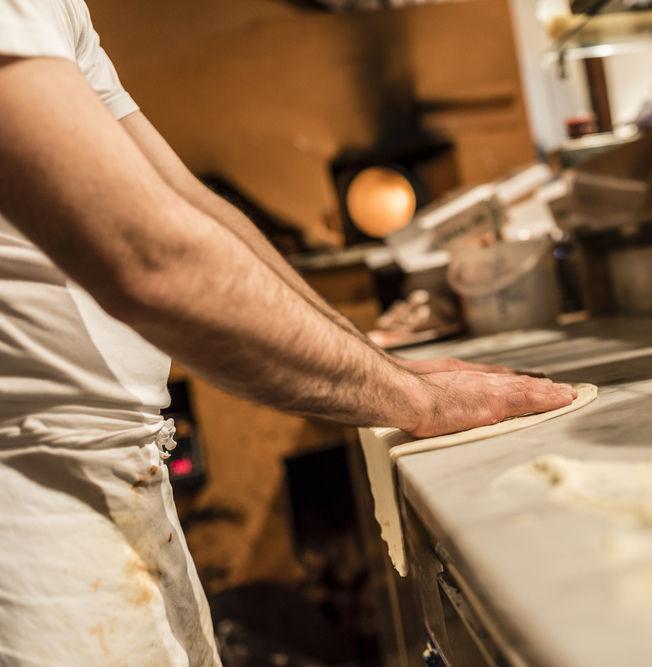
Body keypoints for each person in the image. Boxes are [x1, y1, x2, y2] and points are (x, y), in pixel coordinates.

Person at [0, 1, 576, 664]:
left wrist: (377, 359)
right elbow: (149, 256)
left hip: (109, 478)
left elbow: (188, 204)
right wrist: (418, 401)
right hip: (30, 511)